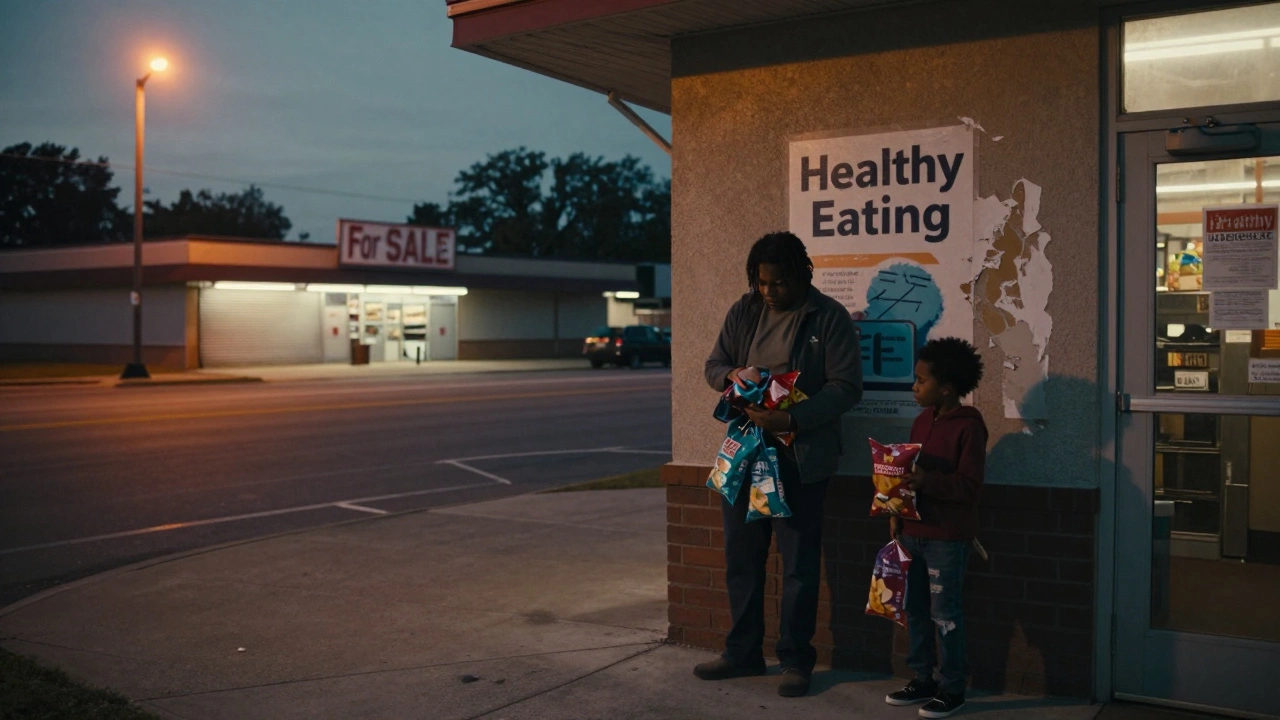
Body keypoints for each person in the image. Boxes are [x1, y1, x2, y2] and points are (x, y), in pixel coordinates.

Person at [697, 231, 863, 698]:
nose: (769, 292)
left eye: (778, 283)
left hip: (800, 459)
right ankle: (742, 653)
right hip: (745, 453)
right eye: (762, 282)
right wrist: (731, 375)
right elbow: (713, 364)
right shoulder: (744, 310)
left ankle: (796, 661)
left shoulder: (827, 317)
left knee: (798, 565)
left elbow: (847, 387)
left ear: (802, 274)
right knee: (742, 558)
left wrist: (790, 416)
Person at [885, 337, 986, 719]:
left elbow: (970, 487)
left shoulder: (969, 427)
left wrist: (929, 482)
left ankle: (953, 687)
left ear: (945, 387)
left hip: (947, 538)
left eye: (920, 380)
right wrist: (896, 507)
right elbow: (910, 475)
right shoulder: (921, 419)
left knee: (946, 613)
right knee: (915, 608)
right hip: (912, 531)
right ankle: (922, 678)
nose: (914, 386)